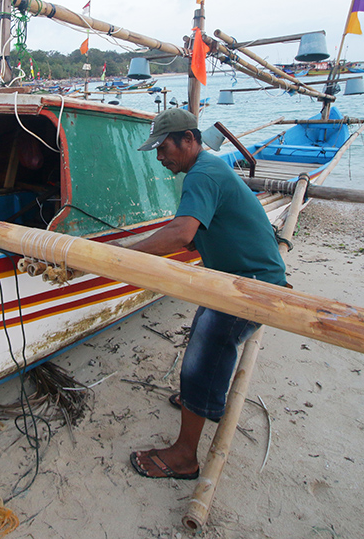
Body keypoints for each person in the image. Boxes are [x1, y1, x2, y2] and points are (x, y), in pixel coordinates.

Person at [127, 108, 287, 480]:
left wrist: (125, 254)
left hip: (252, 285)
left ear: (188, 139)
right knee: (204, 326)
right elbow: (194, 236)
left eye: (163, 147)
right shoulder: (209, 168)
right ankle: (204, 402)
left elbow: (182, 232)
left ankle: (185, 457)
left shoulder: (202, 173)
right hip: (235, 277)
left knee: (204, 354)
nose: (159, 157)